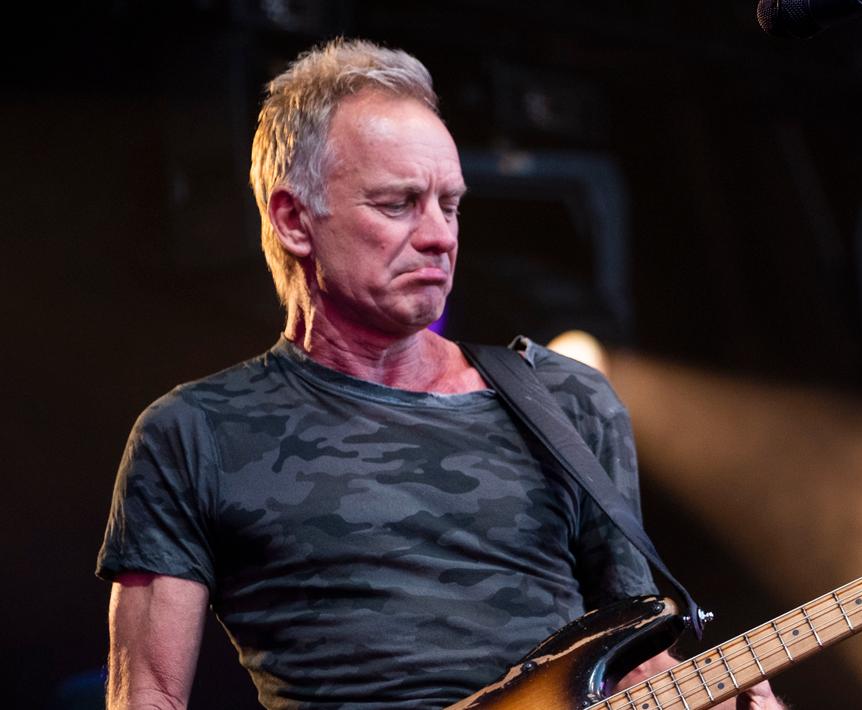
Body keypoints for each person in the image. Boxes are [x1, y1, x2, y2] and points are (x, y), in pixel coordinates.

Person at [97, 38, 780, 709]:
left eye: (449, 204)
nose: (440, 235)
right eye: (398, 204)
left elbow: (636, 666)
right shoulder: (194, 434)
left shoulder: (567, 400)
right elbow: (147, 696)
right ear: (294, 219)